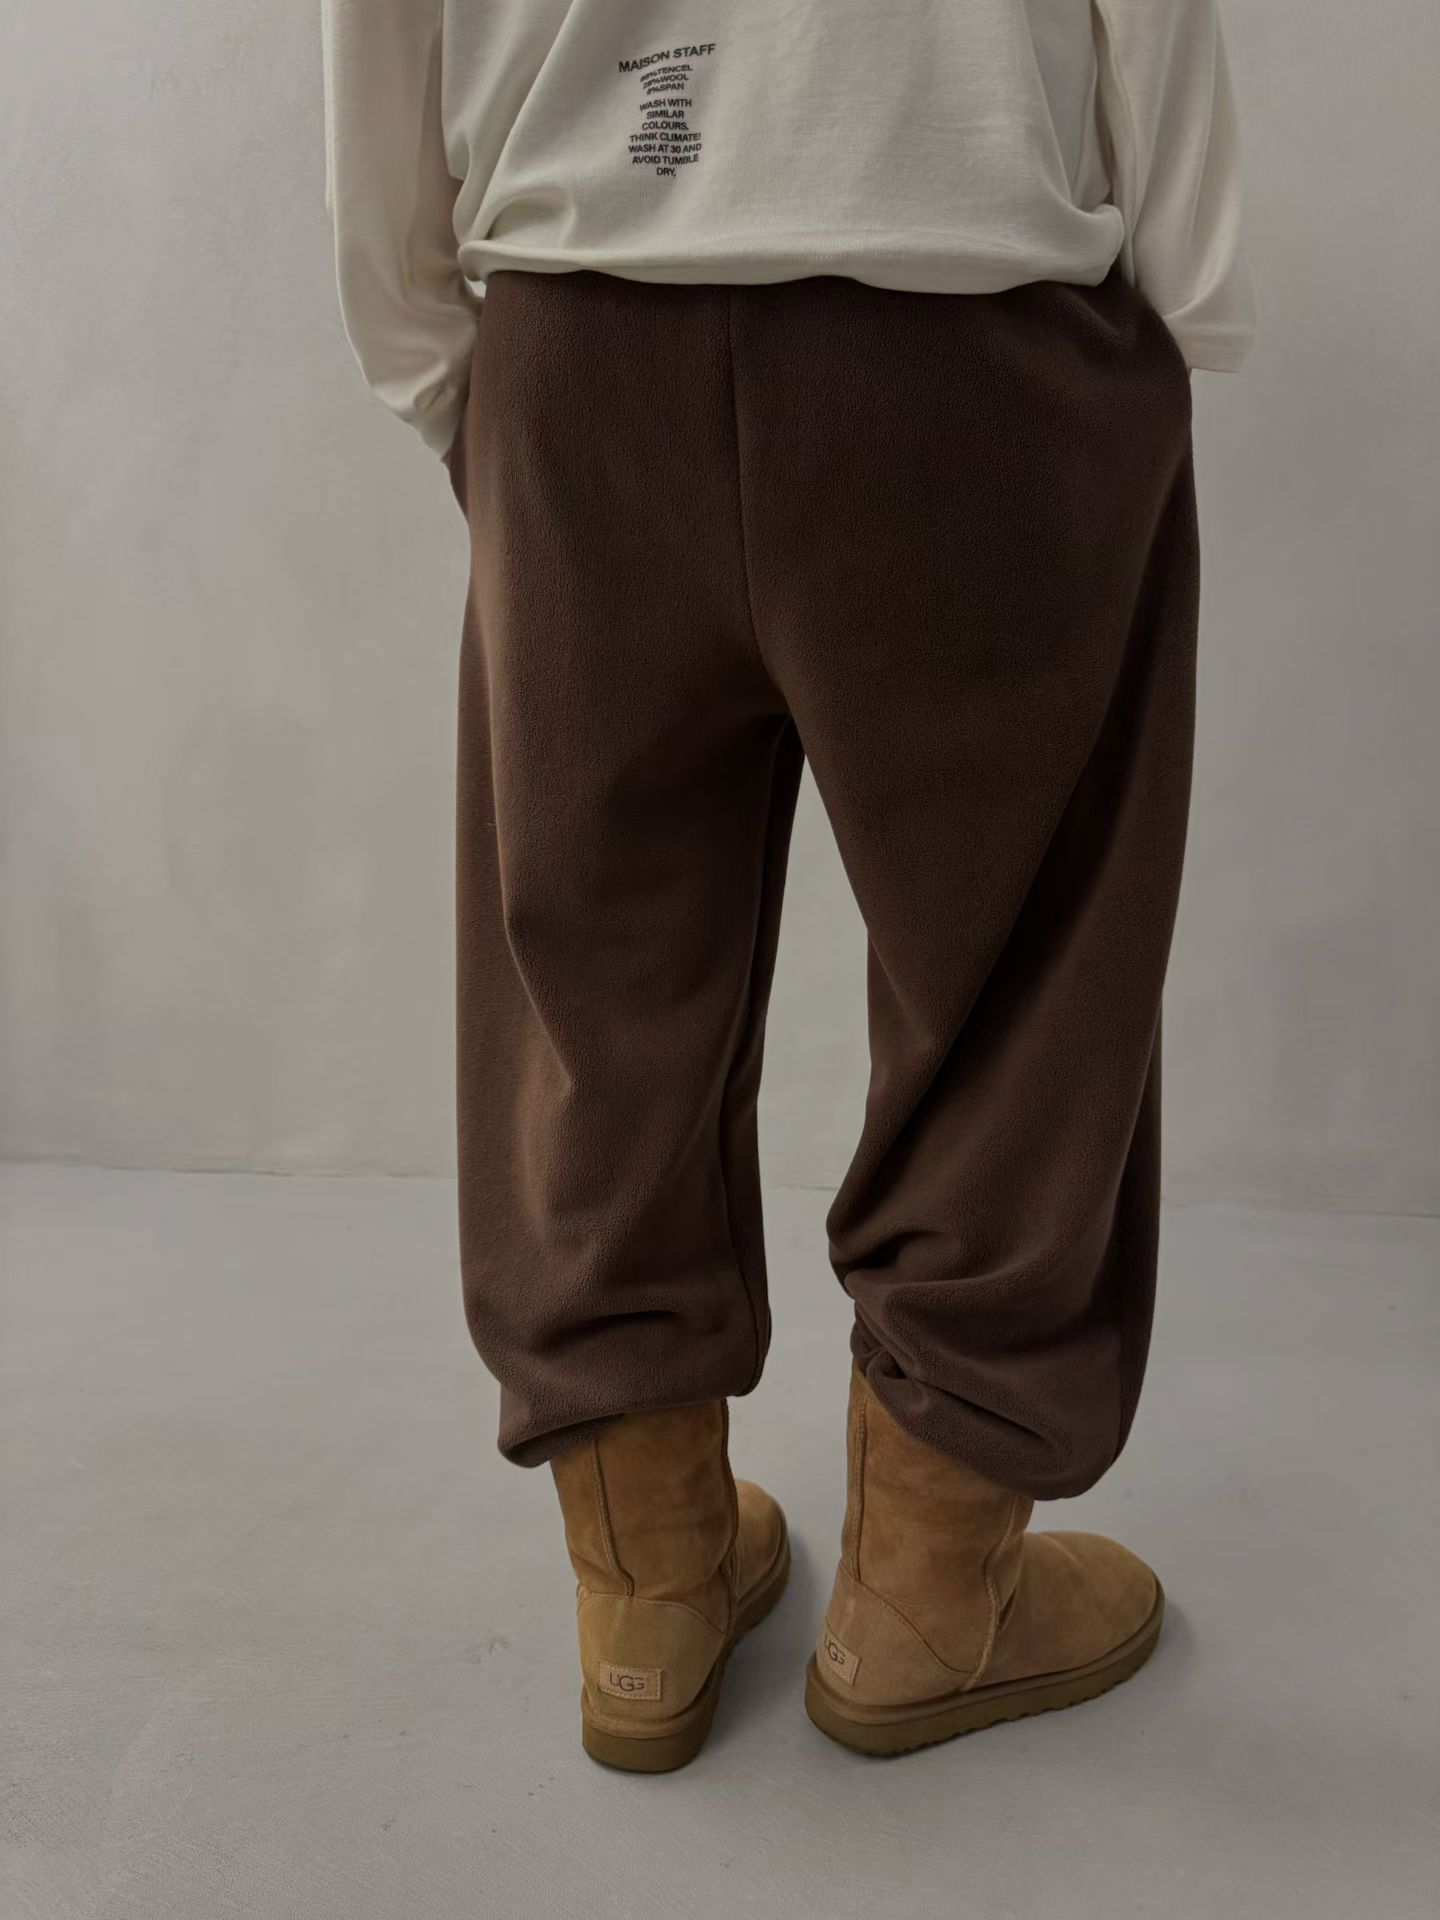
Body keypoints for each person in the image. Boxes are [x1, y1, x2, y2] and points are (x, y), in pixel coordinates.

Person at [320, 0, 1253, 1770]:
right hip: (967, 315)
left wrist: (434, 354)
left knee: (589, 976)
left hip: (580, 325)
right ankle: (928, 1599)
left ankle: (647, 1594)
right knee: (1022, 975)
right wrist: (1184, 298)